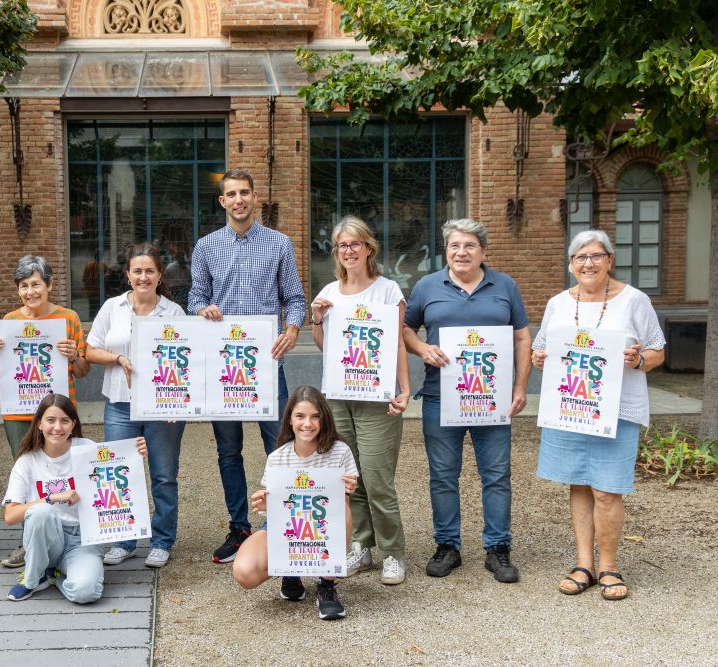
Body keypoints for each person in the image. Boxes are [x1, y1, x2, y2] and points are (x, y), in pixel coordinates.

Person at [531, 229, 665, 601]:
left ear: (609, 259)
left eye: (595, 256)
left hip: (616, 410)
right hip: (570, 408)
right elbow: (541, 348)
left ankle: (609, 565)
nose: (587, 263)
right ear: (571, 264)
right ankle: (583, 563)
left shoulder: (634, 300)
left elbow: (657, 351)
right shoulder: (558, 302)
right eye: (580, 257)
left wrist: (638, 359)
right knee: (578, 483)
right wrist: (539, 359)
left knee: (607, 489)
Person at [188, 168, 307, 563]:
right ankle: (239, 527)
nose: (238, 200)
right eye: (231, 194)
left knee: (283, 445)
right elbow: (195, 298)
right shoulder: (206, 247)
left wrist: (291, 330)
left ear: (255, 198)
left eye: (245, 193)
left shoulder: (279, 244)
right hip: (224, 369)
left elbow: (295, 298)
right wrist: (202, 309)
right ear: (222, 201)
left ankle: (282, 524)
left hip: (267, 364)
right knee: (228, 451)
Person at [403, 219, 531, 583]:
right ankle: (447, 546)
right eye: (455, 245)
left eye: (470, 246)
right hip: (441, 398)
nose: (462, 252)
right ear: (447, 250)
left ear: (483, 252)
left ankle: (498, 549)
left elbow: (522, 338)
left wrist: (520, 387)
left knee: (497, 474)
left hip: (492, 399)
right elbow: (406, 329)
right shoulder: (428, 286)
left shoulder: (505, 286)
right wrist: (423, 348)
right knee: (443, 475)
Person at [310, 216, 411, 584]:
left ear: (369, 248)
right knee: (348, 477)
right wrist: (317, 321)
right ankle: (362, 547)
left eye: (355, 244)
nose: (348, 251)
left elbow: (398, 342)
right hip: (337, 398)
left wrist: (404, 389)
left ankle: (392, 553)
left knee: (378, 478)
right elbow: (327, 350)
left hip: (376, 398)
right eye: (341, 246)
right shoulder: (329, 293)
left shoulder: (387, 291)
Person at [86, 243, 186, 569]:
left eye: (150, 271)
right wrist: (118, 357)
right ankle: (125, 541)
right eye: (137, 271)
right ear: (128, 275)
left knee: (163, 476)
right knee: (119, 472)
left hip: (162, 407)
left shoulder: (173, 313)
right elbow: (89, 351)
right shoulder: (112, 308)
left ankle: (161, 541)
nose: (143, 277)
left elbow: (187, 362)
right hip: (119, 404)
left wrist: (178, 406)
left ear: (160, 275)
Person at [0, 255, 90, 568]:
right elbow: (0, 373)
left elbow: (83, 370)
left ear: (49, 285)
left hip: (58, 411)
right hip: (20, 411)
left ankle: (72, 533)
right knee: (26, 471)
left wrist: (73, 357)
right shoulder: (10, 321)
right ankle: (29, 542)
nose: (30, 291)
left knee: (67, 468)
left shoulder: (68, 318)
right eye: (24, 286)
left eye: (36, 284)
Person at [2, 393, 147, 603]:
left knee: (86, 592)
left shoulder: (87, 449)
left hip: (84, 538)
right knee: (40, 512)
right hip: (47, 538)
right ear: (40, 424)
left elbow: (118, 481)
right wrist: (52, 498)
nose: (57, 427)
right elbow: (10, 515)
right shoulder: (27, 461)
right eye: (50, 420)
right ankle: (34, 579)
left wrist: (135, 457)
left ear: (73, 424)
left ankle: (55, 577)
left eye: (64, 421)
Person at [232, 386, 358, 621]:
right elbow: (276, 509)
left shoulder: (339, 451)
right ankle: (289, 570)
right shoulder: (277, 457)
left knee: (344, 510)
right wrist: (264, 504)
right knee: (244, 573)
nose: (307, 423)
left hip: (323, 527)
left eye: (315, 416)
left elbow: (342, 504)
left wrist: (348, 489)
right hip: (286, 528)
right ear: (289, 419)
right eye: (300, 416)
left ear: (324, 419)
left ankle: (327, 585)